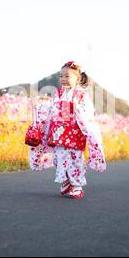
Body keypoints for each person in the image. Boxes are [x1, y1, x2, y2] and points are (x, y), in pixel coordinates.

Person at [28, 61, 106, 198]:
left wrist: (77, 108)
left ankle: (77, 185)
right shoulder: (58, 93)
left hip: (75, 132)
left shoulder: (81, 95)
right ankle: (65, 181)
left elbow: (88, 113)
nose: (63, 79)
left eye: (67, 76)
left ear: (78, 78)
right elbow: (51, 109)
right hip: (58, 132)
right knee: (59, 157)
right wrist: (39, 106)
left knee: (75, 158)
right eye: (61, 76)